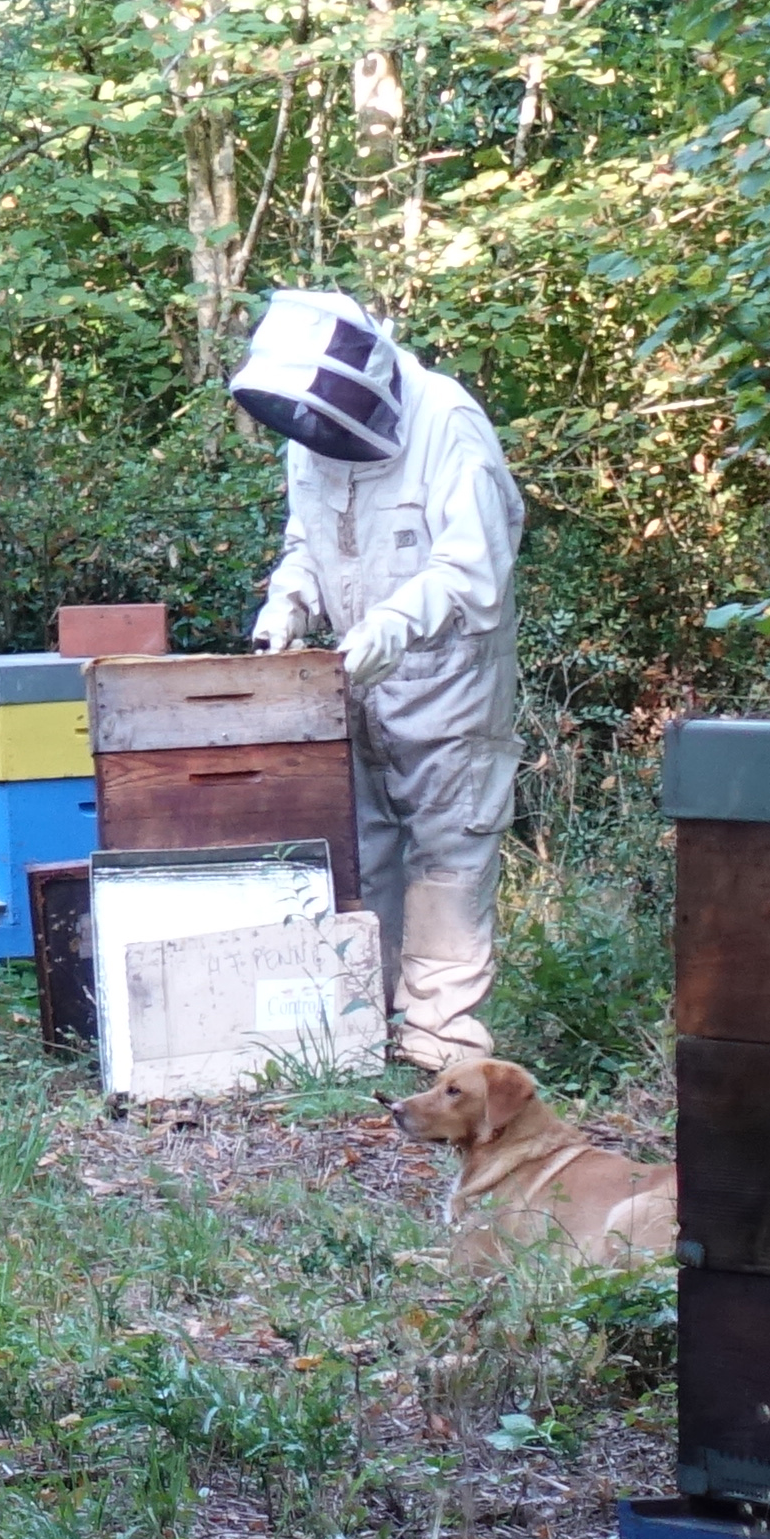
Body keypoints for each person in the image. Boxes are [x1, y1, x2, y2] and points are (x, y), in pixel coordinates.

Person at [234, 290, 524, 1071]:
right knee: (364, 855)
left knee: (449, 858)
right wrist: (288, 599)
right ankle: (366, 1038)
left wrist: (392, 625)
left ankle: (441, 1051)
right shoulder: (311, 437)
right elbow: (308, 540)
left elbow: (474, 571)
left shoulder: (448, 423)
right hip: (354, 682)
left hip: (450, 683)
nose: (317, 434)